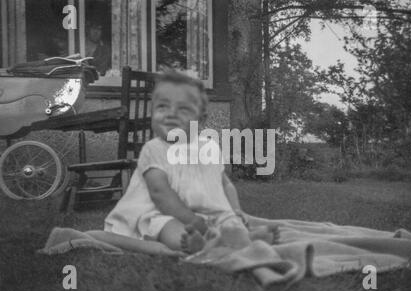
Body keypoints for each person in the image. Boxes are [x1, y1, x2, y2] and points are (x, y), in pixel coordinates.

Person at [86, 71, 278, 255]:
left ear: (200, 119)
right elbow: (160, 194)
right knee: (168, 227)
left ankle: (243, 239)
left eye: (183, 109)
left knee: (228, 222)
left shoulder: (208, 148)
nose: (171, 114)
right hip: (154, 213)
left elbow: (224, 183)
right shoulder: (154, 150)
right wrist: (193, 221)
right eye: (163, 106)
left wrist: (235, 211)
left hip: (202, 214)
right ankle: (194, 244)